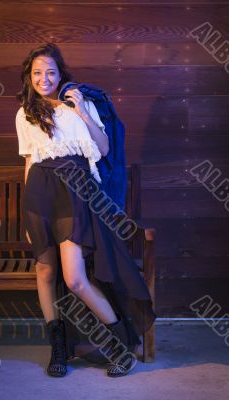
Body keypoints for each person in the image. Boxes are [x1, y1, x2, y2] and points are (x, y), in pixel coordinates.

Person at [15, 43, 156, 378]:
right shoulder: (24, 113)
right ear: (29, 76)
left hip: (75, 191)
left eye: (50, 71)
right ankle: (58, 350)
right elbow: (29, 162)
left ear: (61, 74)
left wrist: (80, 111)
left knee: (74, 278)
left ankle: (121, 346)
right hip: (39, 193)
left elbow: (104, 148)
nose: (43, 78)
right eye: (37, 72)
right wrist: (28, 215)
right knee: (45, 273)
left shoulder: (81, 104)